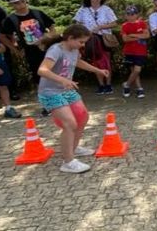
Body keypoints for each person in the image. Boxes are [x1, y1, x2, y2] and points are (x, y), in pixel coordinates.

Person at [37, 24, 109, 174]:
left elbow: (78, 62)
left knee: (83, 117)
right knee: (70, 123)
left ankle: (74, 148)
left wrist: (98, 70)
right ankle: (68, 162)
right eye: (81, 42)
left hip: (66, 89)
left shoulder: (74, 49)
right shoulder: (56, 50)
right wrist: (62, 80)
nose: (83, 45)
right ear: (70, 38)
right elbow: (42, 70)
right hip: (50, 92)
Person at [1, 0, 56, 92]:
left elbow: (52, 27)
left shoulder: (37, 13)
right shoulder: (11, 19)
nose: (21, 4)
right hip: (31, 52)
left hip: (47, 49)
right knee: (39, 77)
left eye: (22, 1)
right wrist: (14, 49)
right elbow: (2, 36)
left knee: (53, 73)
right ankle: (45, 103)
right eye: (16, 3)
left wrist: (47, 37)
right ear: (11, 5)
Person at [74, 0, 119, 94]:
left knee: (106, 62)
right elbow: (77, 24)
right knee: (96, 63)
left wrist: (101, 27)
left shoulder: (106, 9)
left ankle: (108, 85)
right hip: (90, 39)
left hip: (104, 38)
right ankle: (101, 85)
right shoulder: (83, 10)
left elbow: (114, 23)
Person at [120, 5, 149, 99]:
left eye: (133, 14)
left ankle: (127, 84)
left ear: (137, 14)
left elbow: (147, 35)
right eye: (128, 14)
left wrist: (132, 35)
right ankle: (139, 88)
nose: (130, 16)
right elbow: (125, 39)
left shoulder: (142, 23)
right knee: (134, 71)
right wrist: (139, 36)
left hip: (141, 51)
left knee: (137, 70)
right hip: (129, 51)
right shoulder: (124, 25)